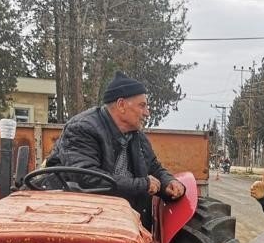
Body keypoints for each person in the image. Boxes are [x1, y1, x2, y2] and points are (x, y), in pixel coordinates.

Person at [45, 71, 185, 230]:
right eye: (142, 105)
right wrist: (142, 184)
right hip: (85, 223)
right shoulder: (82, 128)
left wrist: (168, 183)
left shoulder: (137, 136)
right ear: (121, 105)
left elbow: (153, 167)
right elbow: (85, 177)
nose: (147, 112)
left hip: (126, 223)